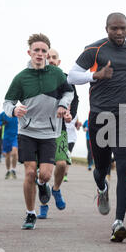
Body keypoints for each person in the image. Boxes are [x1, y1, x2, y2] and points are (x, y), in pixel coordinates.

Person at [68, 12, 126, 242]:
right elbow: (72, 77)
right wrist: (96, 75)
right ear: (106, 29)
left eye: (123, 28)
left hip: (125, 116)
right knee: (102, 168)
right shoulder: (95, 49)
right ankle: (101, 188)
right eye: (115, 28)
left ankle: (119, 221)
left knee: (124, 167)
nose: (120, 33)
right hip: (100, 117)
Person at [3, 33, 74, 230]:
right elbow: (7, 102)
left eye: (44, 51)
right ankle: (30, 213)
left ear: (47, 53)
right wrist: (14, 110)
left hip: (49, 133)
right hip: (27, 131)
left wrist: (63, 104)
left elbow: (69, 91)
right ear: (30, 52)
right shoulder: (21, 78)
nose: (40, 54)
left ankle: (44, 185)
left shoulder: (56, 74)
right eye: (37, 50)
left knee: (44, 175)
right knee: (30, 172)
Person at [37, 48, 79, 219]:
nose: (51, 60)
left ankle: (56, 189)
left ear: (59, 61)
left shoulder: (66, 79)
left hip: (59, 129)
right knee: (43, 172)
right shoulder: (36, 78)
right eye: (48, 57)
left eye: (54, 57)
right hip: (39, 130)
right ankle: (43, 206)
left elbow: (75, 99)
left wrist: (71, 114)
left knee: (61, 165)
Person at [0, 111, 19, 179]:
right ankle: (8, 170)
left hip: (16, 136)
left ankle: (13, 169)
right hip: (6, 137)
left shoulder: (18, 111)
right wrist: (2, 123)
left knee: (14, 153)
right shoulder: (4, 114)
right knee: (7, 155)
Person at [64, 114, 81, 182]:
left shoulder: (76, 115)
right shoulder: (63, 111)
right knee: (62, 157)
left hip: (71, 139)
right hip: (63, 137)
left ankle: (65, 175)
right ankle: (61, 172)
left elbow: (77, 128)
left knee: (68, 156)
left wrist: (78, 126)